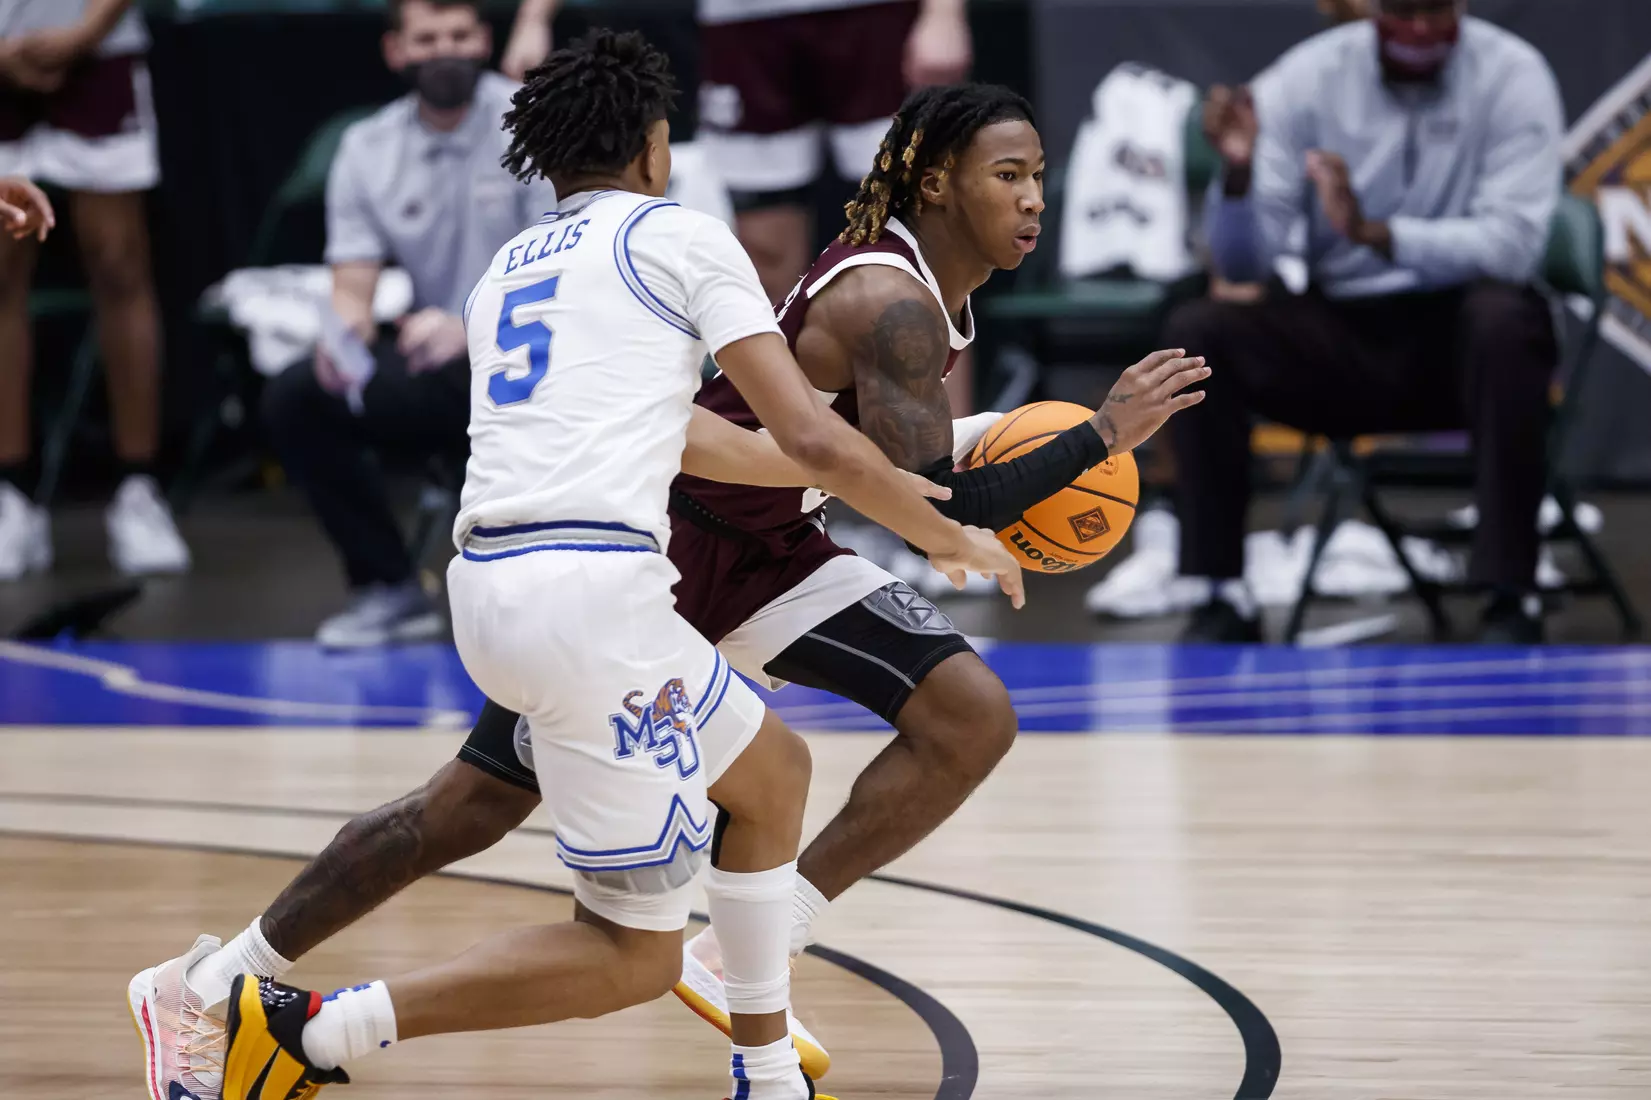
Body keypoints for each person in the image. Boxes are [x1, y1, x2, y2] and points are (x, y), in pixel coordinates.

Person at [132, 80, 1208, 1092]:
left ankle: (746, 959)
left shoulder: (552, 261)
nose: (1030, 198)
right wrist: (1098, 438)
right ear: (936, 182)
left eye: (1036, 176)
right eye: (1008, 173)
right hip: (676, 556)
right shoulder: (878, 294)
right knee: (471, 808)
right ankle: (240, 976)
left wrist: (953, 500)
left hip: (767, 543)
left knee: (965, 714)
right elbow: (911, 484)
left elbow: (860, 455)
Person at [1171, 0, 1564, 643]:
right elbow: (1244, 266)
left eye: (1434, 11)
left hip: (1461, 340)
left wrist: (1378, 235)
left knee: (1507, 319)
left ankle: (1509, 592)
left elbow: (1515, 246)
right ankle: (1219, 593)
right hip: (1343, 335)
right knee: (1201, 332)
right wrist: (1237, 178)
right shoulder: (1302, 79)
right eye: (1401, 10)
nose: (1416, 29)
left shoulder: (1513, 74)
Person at [260, 0, 558, 649]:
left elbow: (564, 261)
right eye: (427, 37)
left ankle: (556, 599)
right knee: (298, 396)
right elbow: (353, 283)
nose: (443, 49)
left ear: (483, 39)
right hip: (437, 363)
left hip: (541, 354)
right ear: (396, 50)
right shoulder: (366, 148)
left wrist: (468, 323)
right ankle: (387, 587)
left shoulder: (534, 125)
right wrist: (344, 337)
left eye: (458, 34)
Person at [0, 0, 188, 580]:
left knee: (119, 266)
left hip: (98, 49)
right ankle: (11, 495)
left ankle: (139, 488)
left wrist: (84, 33)